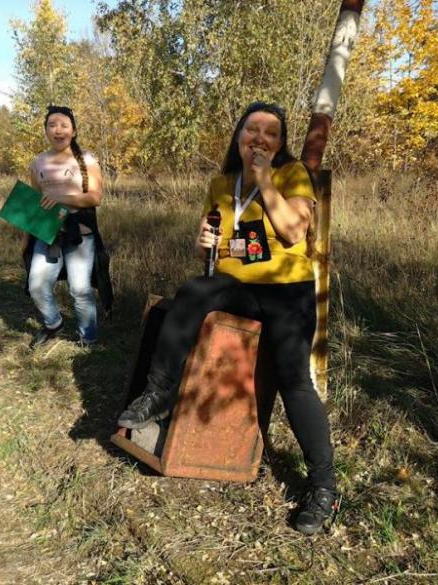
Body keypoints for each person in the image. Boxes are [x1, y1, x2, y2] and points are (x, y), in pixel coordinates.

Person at [117, 102, 339, 535]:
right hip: (236, 286)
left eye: (270, 133)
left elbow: (293, 231)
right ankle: (159, 393)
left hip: (286, 291)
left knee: (295, 382)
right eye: (251, 129)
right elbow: (214, 248)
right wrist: (203, 244)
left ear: (280, 143)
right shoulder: (221, 183)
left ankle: (324, 488)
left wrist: (264, 179)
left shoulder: (292, 175)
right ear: (238, 137)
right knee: (194, 289)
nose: (260, 138)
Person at [22, 105, 104, 348]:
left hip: (81, 234)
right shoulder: (38, 162)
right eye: (52, 125)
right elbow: (35, 205)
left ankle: (89, 339)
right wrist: (26, 240)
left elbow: (95, 197)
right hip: (47, 234)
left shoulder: (87, 159)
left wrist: (61, 199)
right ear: (45, 131)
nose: (58, 130)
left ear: (74, 131)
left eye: (64, 125)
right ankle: (53, 323)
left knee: (80, 290)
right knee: (36, 285)